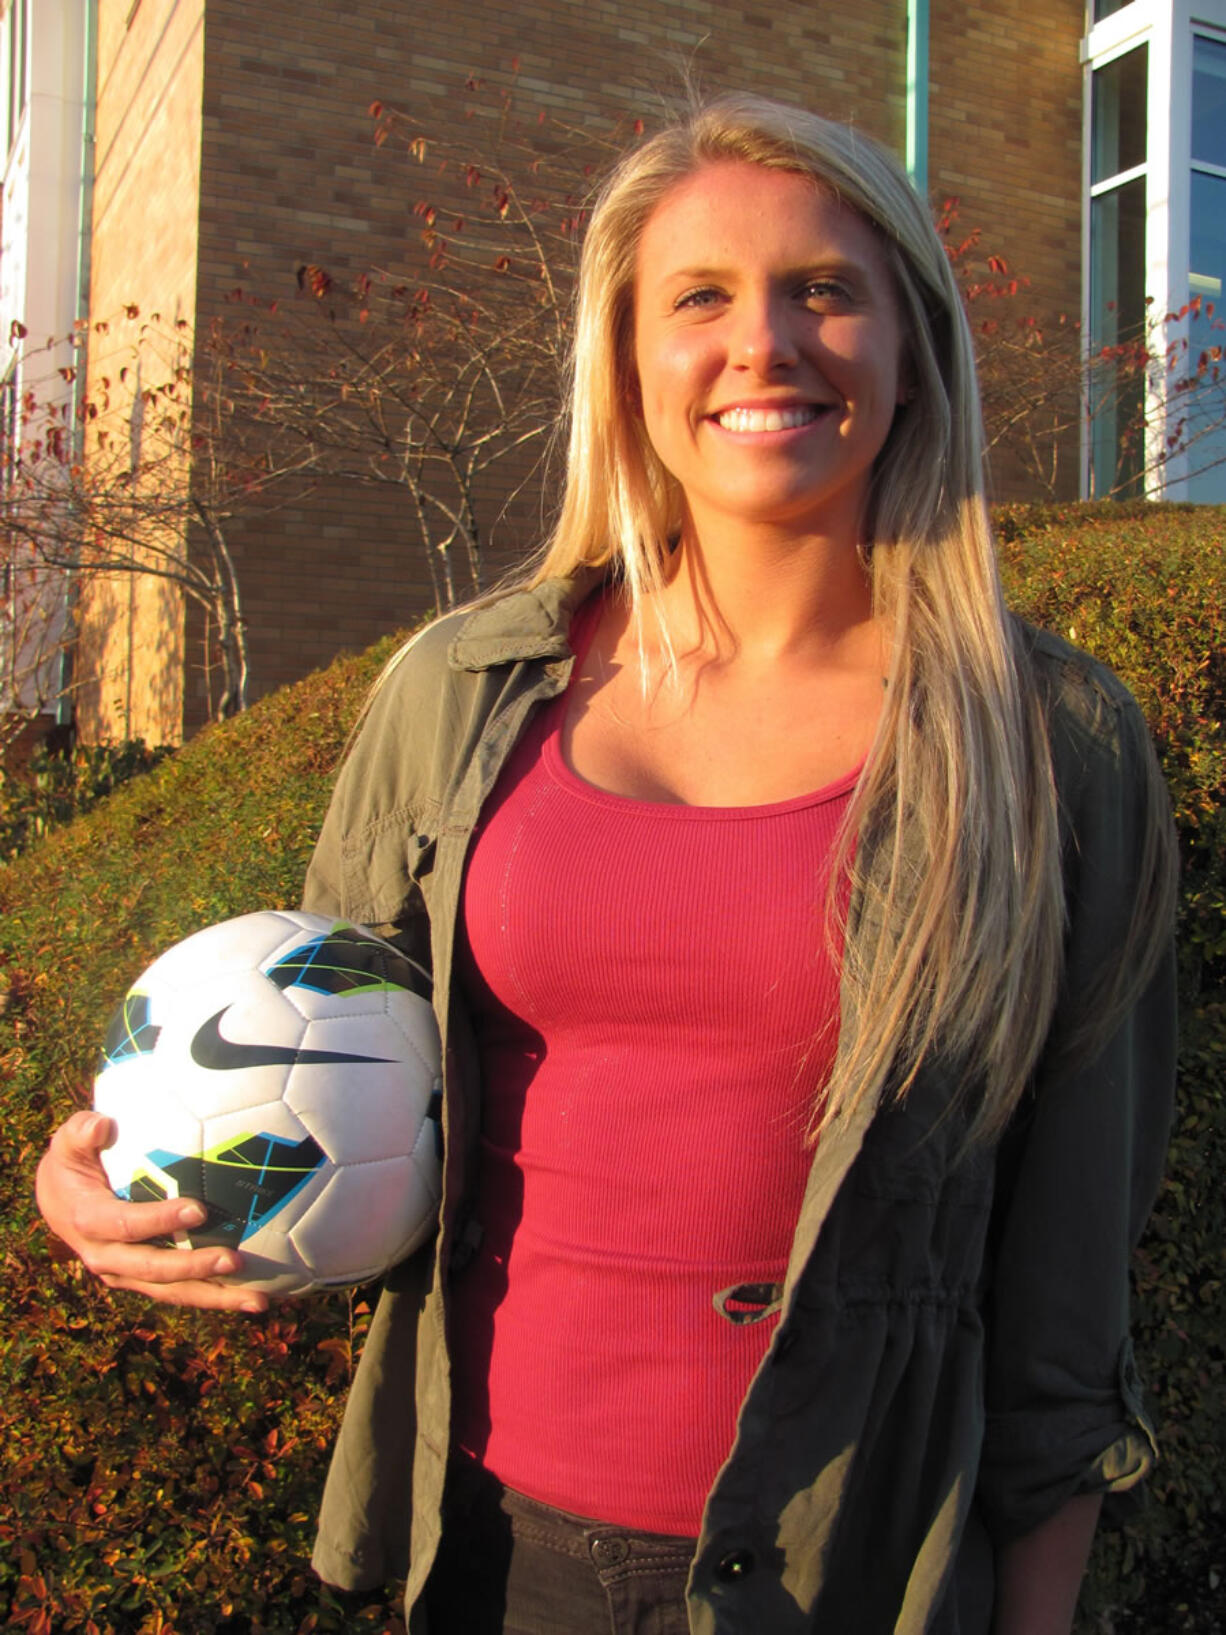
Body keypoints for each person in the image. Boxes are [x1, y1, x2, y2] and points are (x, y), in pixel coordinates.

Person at [36, 94, 1177, 1634]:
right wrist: (117, 1167)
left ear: (911, 347)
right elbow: (310, 1059)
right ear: (627, 362)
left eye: (823, 289)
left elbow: (1067, 1276)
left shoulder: (1050, 741)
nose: (762, 342)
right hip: (495, 1558)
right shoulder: (455, 694)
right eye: (697, 297)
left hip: (859, 1570)